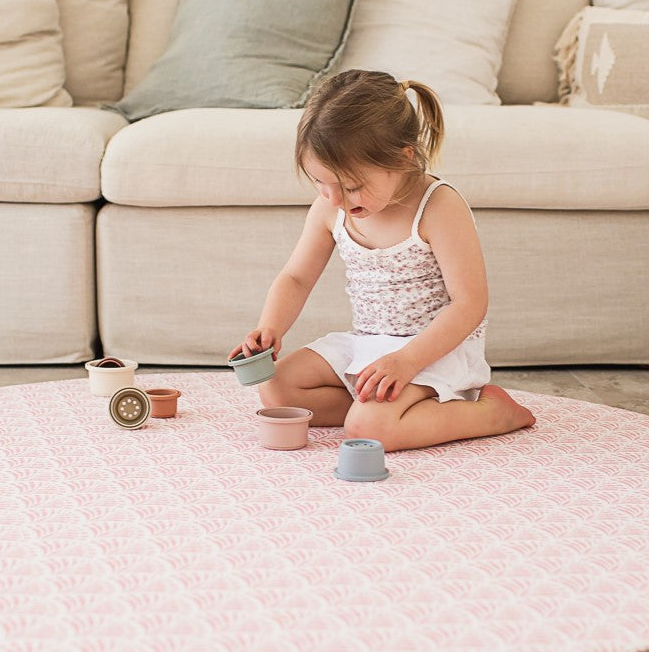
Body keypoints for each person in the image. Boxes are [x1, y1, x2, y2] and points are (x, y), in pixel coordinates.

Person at [228, 69, 536, 452]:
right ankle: (376, 409)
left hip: (431, 352)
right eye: (319, 182)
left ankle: (492, 413)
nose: (334, 198)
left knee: (368, 431)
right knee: (275, 388)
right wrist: (269, 328)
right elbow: (296, 278)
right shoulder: (330, 208)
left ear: (403, 158)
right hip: (368, 344)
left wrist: (406, 361)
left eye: (351, 186)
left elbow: (470, 304)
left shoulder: (438, 207)